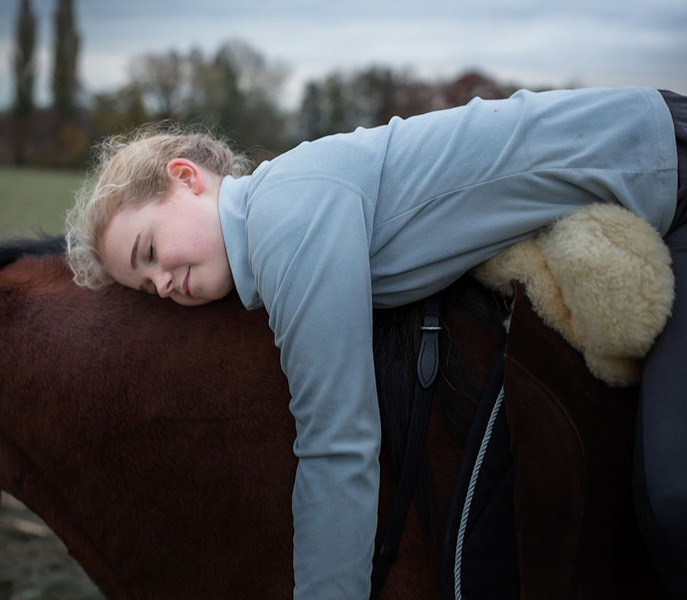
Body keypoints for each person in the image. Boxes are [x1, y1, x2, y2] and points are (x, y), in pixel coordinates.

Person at [66, 86, 686, 599]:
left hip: (668, 163)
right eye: (146, 286)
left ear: (188, 179)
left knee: (674, 496)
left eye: (149, 251)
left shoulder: (286, 219)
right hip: (653, 158)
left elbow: (339, 440)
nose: (163, 282)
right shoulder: (283, 205)